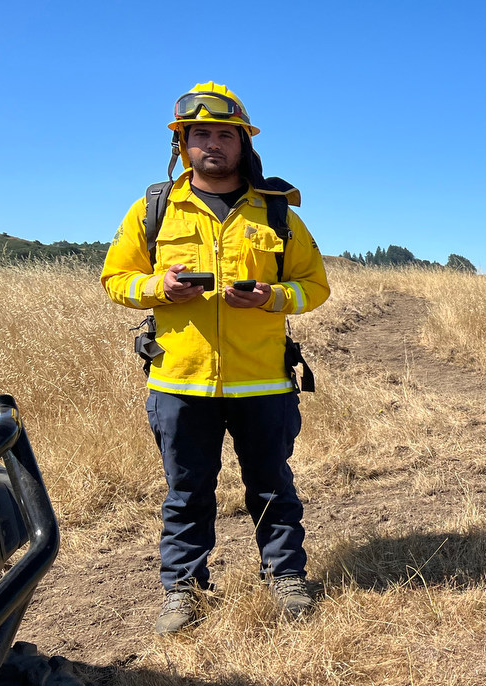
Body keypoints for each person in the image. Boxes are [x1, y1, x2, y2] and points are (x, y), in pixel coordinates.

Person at [101, 82, 330, 635]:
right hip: (180, 382)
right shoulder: (154, 210)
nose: (211, 144)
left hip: (263, 383)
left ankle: (285, 577)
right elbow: (115, 278)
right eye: (199, 133)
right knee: (187, 493)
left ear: (243, 144)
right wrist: (157, 287)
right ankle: (183, 591)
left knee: (272, 485)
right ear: (182, 144)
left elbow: (314, 286)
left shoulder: (277, 213)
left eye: (223, 134)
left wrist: (273, 297)